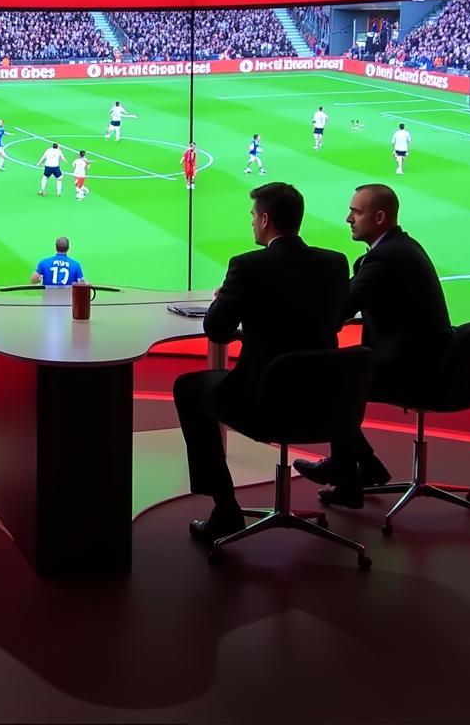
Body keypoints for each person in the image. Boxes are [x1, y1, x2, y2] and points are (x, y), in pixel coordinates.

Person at [172, 182, 349, 542]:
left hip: (264, 402)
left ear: (266, 219)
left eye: (253, 215)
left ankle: (225, 507)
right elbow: (324, 322)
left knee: (189, 388)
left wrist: (226, 303)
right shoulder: (335, 263)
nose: (251, 222)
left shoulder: (247, 266)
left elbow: (217, 330)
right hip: (324, 400)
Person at [295, 184, 453, 507]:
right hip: (428, 359)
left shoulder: (384, 259)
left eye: (356, 212)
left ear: (379, 217)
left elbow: (340, 309)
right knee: (338, 374)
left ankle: (354, 471)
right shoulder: (400, 248)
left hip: (412, 369)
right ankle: (361, 467)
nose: (348, 218)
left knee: (328, 379)